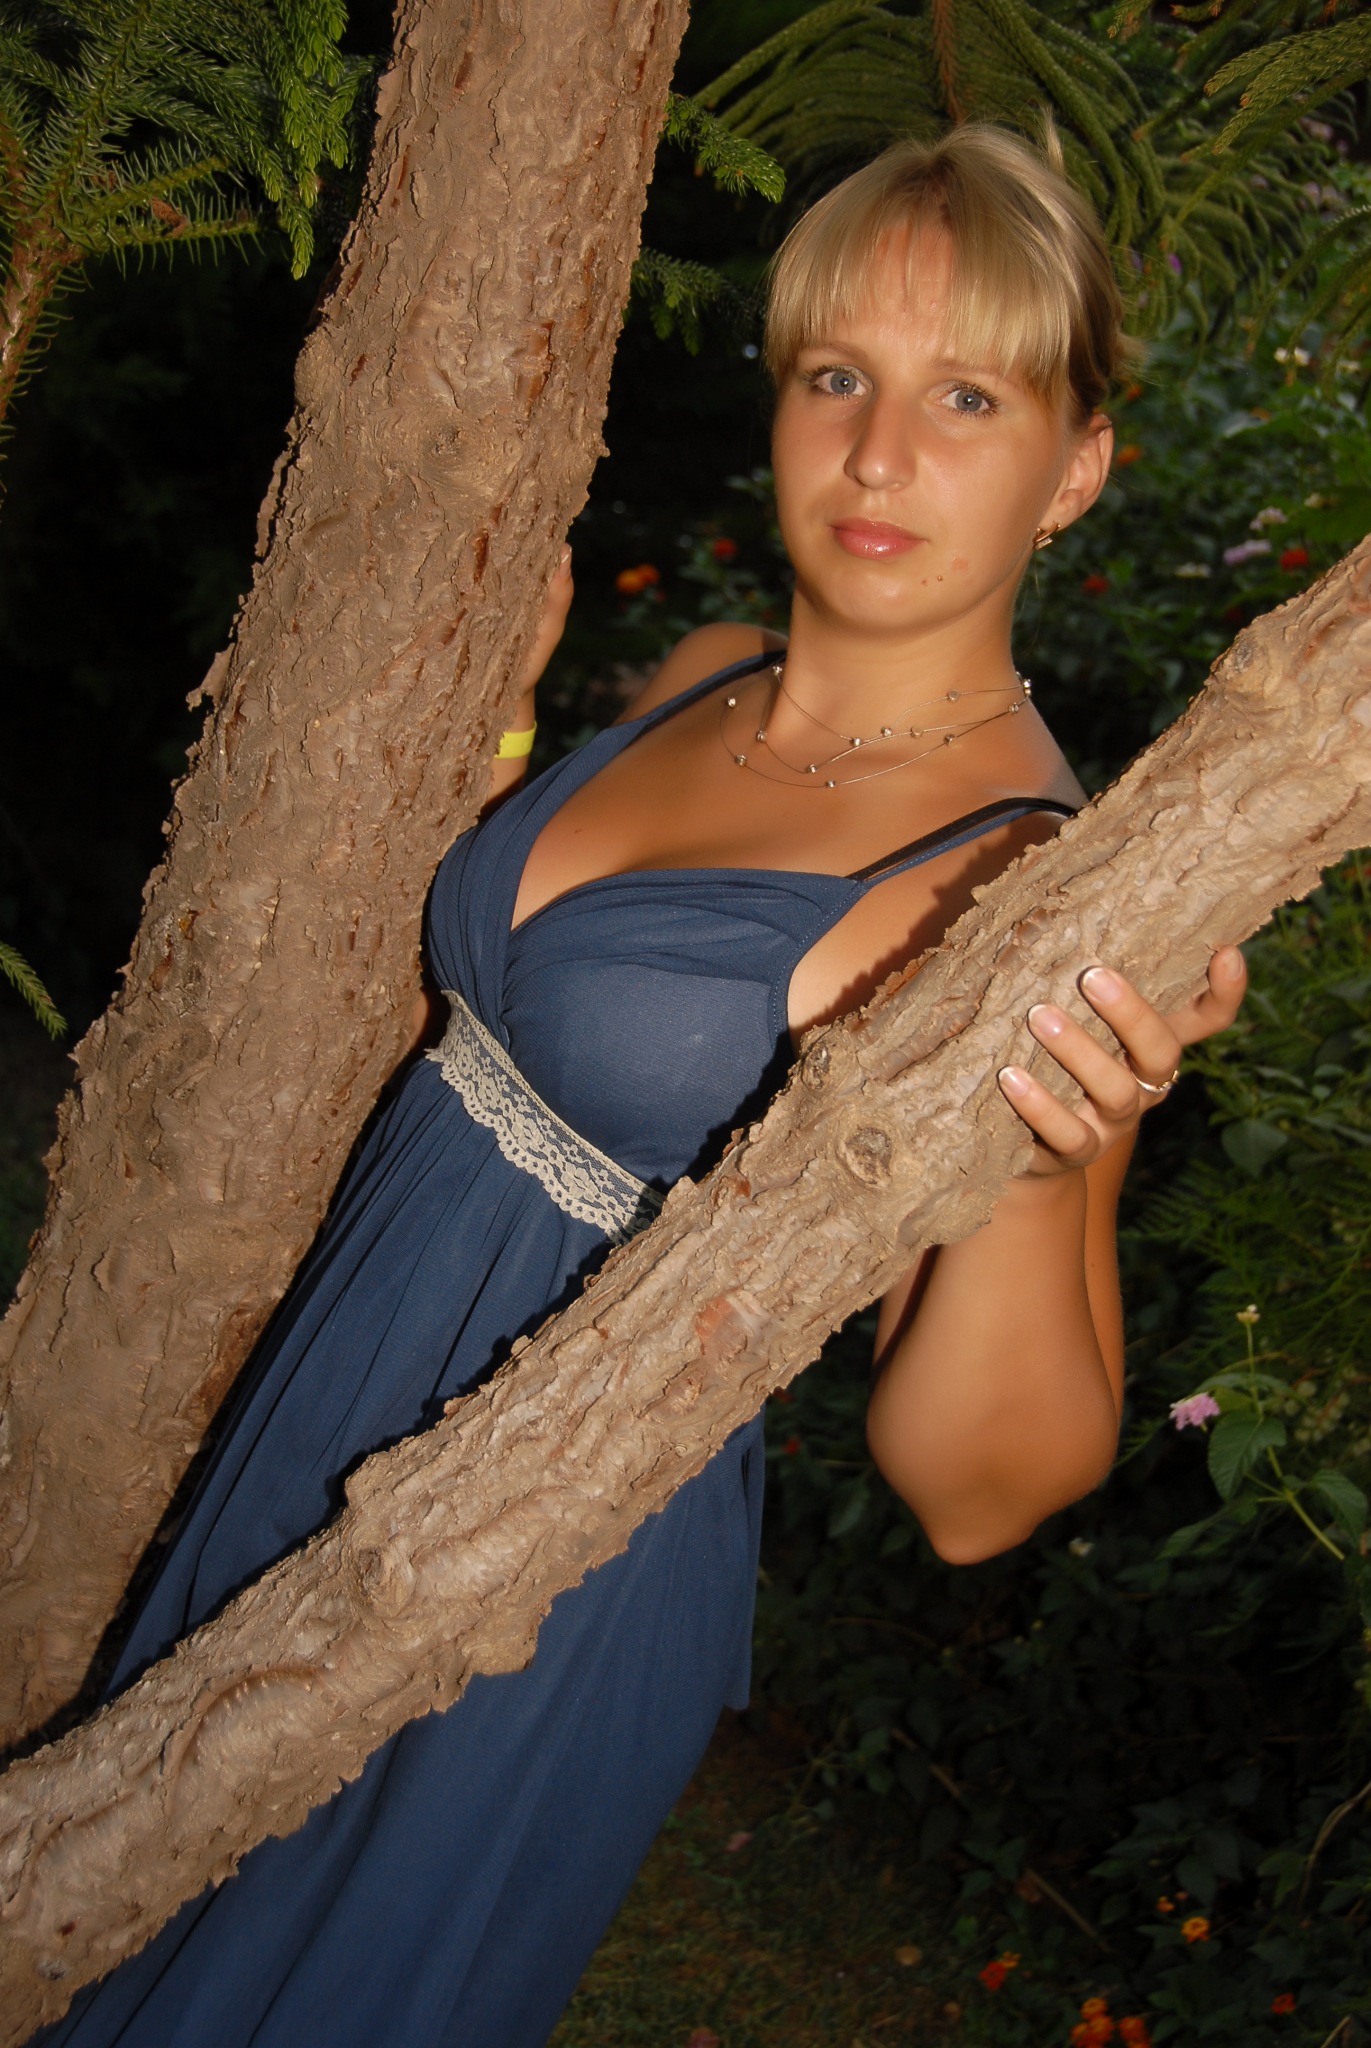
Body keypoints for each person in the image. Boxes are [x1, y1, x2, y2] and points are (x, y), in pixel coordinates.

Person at [41, 123, 1245, 2048]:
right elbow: (527, 1018)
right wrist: (491, 751)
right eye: (837, 375)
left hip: (522, 1593)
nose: (878, 453)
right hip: (320, 1411)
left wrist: (1042, 1161)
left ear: (1078, 467)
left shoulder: (1023, 881)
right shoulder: (705, 667)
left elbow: (979, 1492)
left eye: (967, 398)